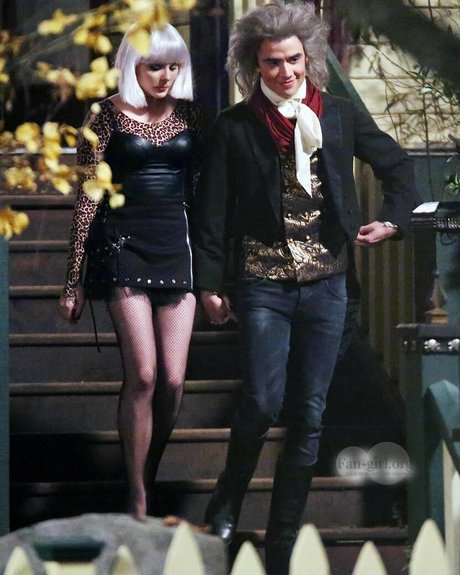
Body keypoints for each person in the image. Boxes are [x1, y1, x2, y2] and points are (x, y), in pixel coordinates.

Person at [192, 3, 417, 574]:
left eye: (294, 59)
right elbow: (211, 213)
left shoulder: (337, 114)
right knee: (262, 400)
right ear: (255, 65)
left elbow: (397, 166)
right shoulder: (234, 127)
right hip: (262, 282)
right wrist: (210, 285)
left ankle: (284, 534)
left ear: (309, 58)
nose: (286, 71)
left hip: (328, 283)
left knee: (310, 414)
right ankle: (228, 498)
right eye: (273, 62)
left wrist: (392, 220)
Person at [59, 23, 204, 520]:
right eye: (154, 66)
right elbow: (87, 197)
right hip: (122, 248)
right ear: (132, 66)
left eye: (173, 66)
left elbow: (201, 192)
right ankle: (138, 497)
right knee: (143, 374)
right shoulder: (103, 115)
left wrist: (215, 275)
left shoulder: (191, 115)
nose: (164, 76)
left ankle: (147, 474)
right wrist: (73, 279)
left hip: (176, 248)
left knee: (174, 382)